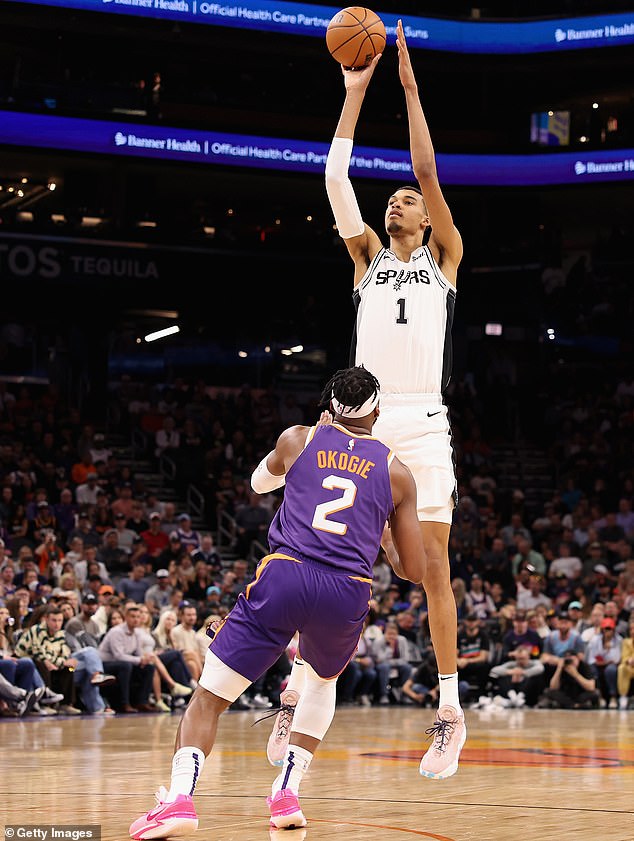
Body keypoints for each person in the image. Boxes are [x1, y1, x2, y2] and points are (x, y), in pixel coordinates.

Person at [129, 365, 426, 838]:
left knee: (209, 698)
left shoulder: (299, 438)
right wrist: (386, 537)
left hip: (287, 574)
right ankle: (286, 791)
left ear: (329, 405)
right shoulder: (397, 472)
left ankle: (181, 799)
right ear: (378, 412)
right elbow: (413, 570)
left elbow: (257, 484)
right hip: (347, 588)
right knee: (322, 684)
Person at [319, 18, 465, 780]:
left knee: (431, 567)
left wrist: (407, 87)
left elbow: (430, 172)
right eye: (396, 200)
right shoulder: (365, 258)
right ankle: (304, 690)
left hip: (425, 418)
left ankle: (447, 709)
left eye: (407, 199)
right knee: (339, 562)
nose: (399, 202)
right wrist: (355, 93)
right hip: (364, 423)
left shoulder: (444, 257)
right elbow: (335, 181)